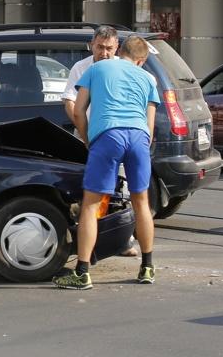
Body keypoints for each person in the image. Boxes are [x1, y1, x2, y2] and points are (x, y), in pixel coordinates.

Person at [53, 35, 160, 290]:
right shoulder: (147, 78)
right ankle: (147, 267)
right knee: (141, 202)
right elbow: (150, 124)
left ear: (119, 50)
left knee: (90, 204)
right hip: (138, 138)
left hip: (107, 135)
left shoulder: (97, 68)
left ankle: (82, 272)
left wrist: (90, 139)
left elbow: (78, 110)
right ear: (141, 60)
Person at [61, 25, 138, 257]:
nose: (104, 53)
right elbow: (70, 103)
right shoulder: (81, 68)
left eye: (109, 48)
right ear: (91, 45)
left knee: (121, 190)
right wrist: (85, 136)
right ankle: (89, 241)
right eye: (100, 47)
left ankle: (123, 240)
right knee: (91, 192)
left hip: (117, 137)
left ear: (117, 48)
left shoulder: (122, 69)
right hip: (89, 135)